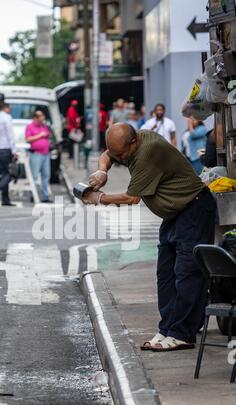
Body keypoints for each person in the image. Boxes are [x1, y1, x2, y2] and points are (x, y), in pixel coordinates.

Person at [86, 123, 217, 352]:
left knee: (187, 273)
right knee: (165, 273)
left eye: (121, 154)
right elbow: (108, 153)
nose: (119, 158)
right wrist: (102, 170)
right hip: (174, 214)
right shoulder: (126, 146)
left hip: (193, 208)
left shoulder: (148, 151)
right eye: (116, 154)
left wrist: (98, 197)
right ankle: (167, 328)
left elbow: (131, 198)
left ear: (134, 141)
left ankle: (182, 333)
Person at [0, 103, 17, 206]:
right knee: (10, 174)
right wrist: (14, 150)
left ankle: (5, 199)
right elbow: (10, 134)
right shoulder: (7, 118)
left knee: (4, 173)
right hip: (5, 148)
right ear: (5, 108)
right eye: (9, 107)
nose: (10, 109)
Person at [25, 110, 52, 203]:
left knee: (46, 175)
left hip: (46, 153)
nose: (42, 120)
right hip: (36, 154)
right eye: (40, 118)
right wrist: (40, 136)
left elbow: (48, 135)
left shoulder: (44, 126)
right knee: (35, 176)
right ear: (35, 118)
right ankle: (34, 195)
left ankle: (45, 196)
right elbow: (28, 139)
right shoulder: (30, 127)